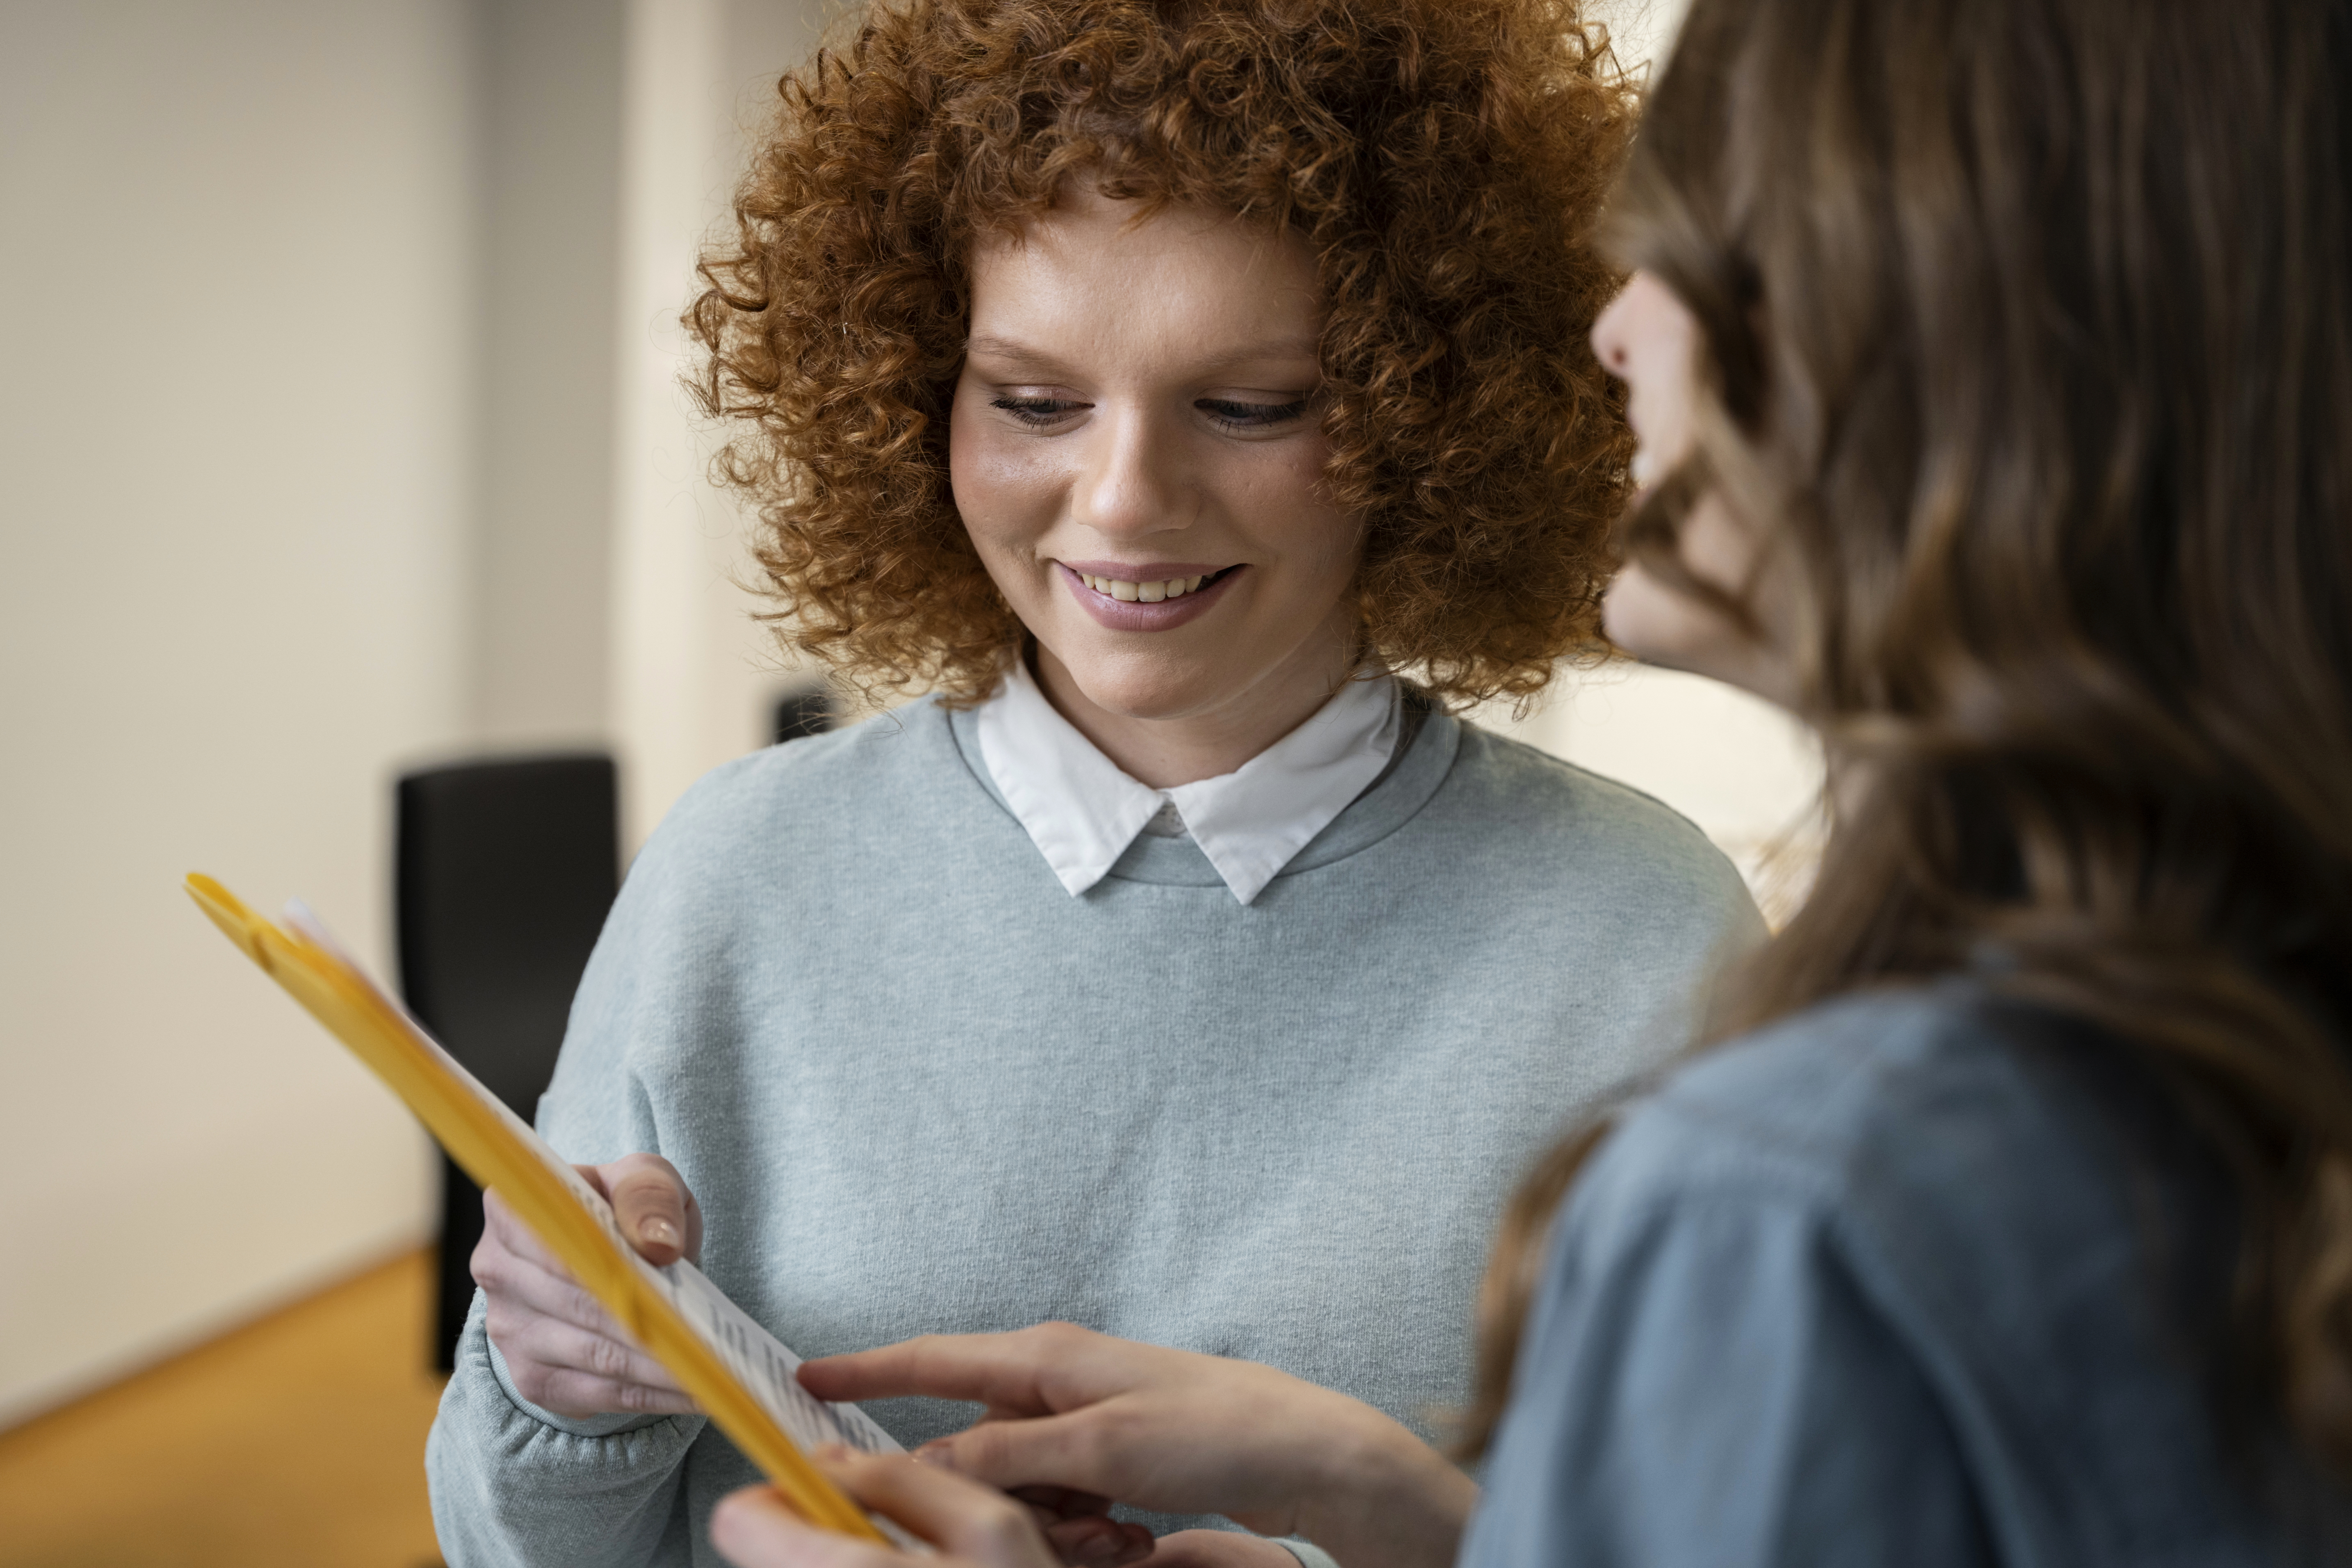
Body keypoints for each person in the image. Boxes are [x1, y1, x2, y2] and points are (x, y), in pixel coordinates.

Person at [696, 0, 2352, 1562]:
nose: (1616, 317)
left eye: (1712, 245)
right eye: (1036, 396)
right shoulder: (2213, 1075)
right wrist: (1425, 1507)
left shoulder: (1796, 1183)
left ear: (1975, 370)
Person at [424, 2, 1761, 1564]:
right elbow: (510, 1545)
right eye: (1035, 403)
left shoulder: (1649, 939)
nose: (1122, 502)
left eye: (1251, 405)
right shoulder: (740, 870)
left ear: (1433, 417)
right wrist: (559, 1391)